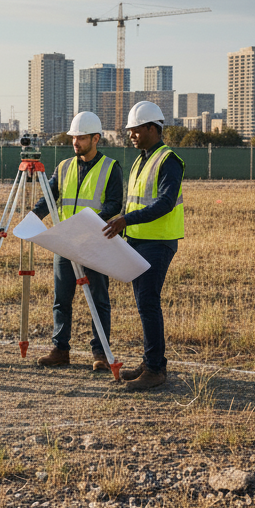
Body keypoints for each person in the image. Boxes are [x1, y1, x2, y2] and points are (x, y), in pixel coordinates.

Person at [101, 101, 184, 391]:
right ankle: (150, 363)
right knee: (143, 304)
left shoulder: (168, 159)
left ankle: (156, 370)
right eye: (130, 131)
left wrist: (127, 219)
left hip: (158, 242)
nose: (131, 135)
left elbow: (164, 202)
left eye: (136, 130)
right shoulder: (141, 159)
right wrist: (125, 226)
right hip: (137, 241)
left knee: (148, 303)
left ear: (153, 128)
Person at [32, 112, 123, 371]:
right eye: (73, 137)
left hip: (95, 244)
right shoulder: (63, 167)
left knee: (98, 300)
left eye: (81, 138)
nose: (75, 142)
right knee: (62, 300)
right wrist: (33, 218)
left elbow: (114, 204)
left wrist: (87, 224)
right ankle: (60, 350)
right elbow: (48, 199)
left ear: (96, 138)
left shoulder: (110, 167)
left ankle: (101, 353)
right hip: (65, 244)